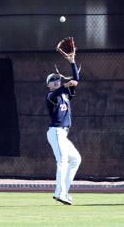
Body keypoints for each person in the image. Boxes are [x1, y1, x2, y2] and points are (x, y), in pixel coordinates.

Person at [45, 48, 81, 205]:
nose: (55, 80)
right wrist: (64, 85)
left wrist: (72, 62)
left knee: (76, 159)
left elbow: (76, 79)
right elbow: (57, 92)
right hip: (56, 133)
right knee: (62, 161)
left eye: (57, 78)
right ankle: (60, 194)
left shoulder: (66, 95)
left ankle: (62, 192)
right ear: (48, 85)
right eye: (52, 79)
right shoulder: (50, 97)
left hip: (63, 134)